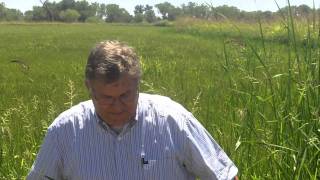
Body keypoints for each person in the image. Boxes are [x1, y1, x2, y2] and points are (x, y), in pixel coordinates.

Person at [27, 40, 238, 180]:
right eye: (106, 98)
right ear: (88, 87)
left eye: (125, 96)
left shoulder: (173, 121)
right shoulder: (64, 130)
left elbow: (225, 175)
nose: (117, 107)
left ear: (138, 85)